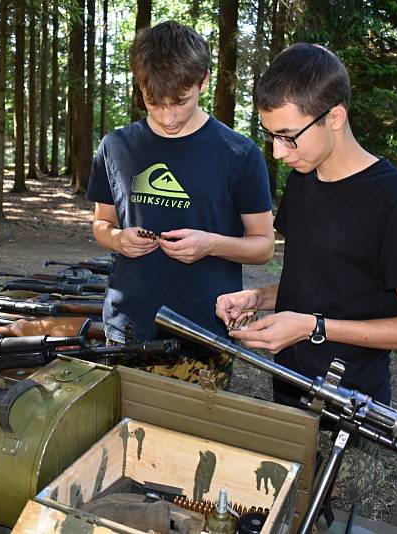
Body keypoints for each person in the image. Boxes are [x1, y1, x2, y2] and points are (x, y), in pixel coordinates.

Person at [215, 43, 397, 515]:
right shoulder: (305, 175)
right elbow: (317, 279)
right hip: (289, 388)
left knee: (331, 521)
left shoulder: (395, 200)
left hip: (350, 410)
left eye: (288, 136)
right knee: (282, 513)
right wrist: (259, 296)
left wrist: (311, 326)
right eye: (270, 136)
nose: (278, 153)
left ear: (334, 117)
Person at [86, 21, 274, 388]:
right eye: (154, 103)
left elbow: (263, 246)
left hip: (203, 336)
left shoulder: (238, 154)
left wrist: (211, 244)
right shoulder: (116, 147)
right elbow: (101, 224)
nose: (168, 117)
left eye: (180, 102)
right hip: (127, 328)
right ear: (140, 87)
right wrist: (117, 239)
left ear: (203, 81)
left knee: (191, 444)